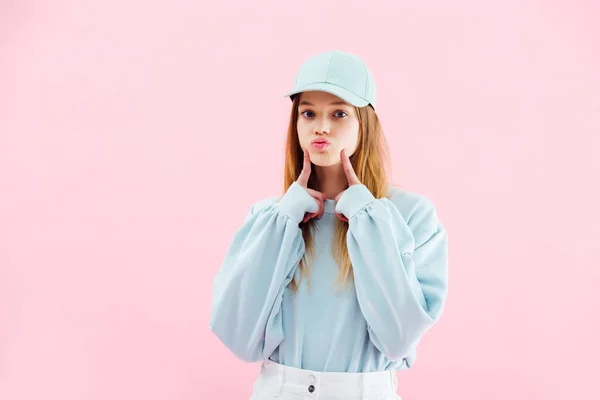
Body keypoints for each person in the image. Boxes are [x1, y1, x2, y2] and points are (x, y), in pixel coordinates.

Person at [209, 50, 449, 400]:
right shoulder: (271, 218)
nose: (321, 126)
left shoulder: (410, 215)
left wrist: (366, 219)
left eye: (339, 113)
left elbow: (398, 338)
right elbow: (238, 336)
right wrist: (284, 221)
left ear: (364, 122)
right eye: (308, 113)